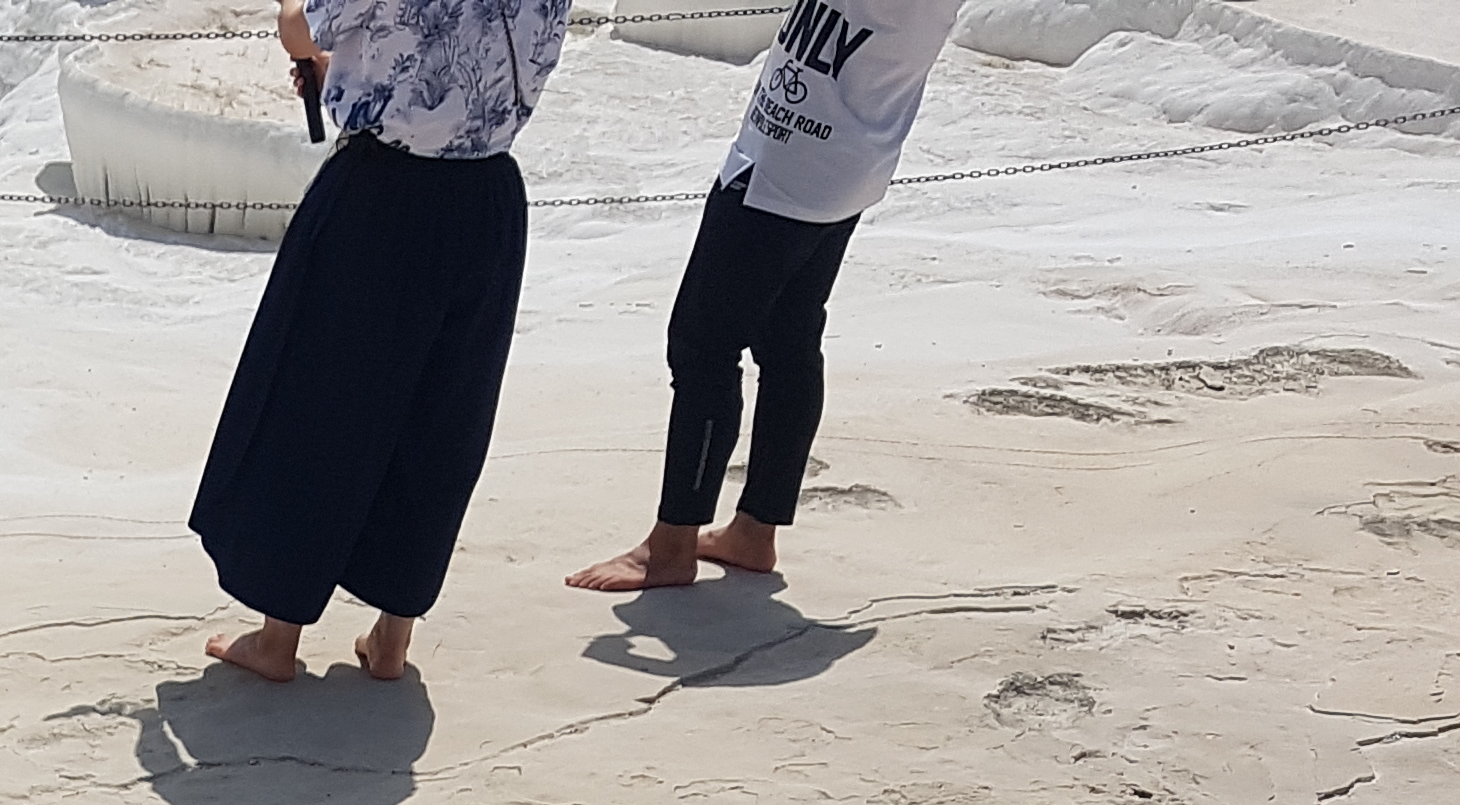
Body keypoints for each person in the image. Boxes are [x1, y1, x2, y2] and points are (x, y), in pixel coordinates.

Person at [193, 0, 572, 684]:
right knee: (441, 419)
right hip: (488, 195)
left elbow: (298, 26)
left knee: (316, 404)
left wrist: (320, 56)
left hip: (384, 197)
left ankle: (279, 638)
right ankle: (392, 636)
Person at [567, 0, 969, 591]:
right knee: (789, 338)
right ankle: (754, 530)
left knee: (703, 347)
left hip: (788, 165)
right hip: (841, 157)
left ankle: (672, 545)